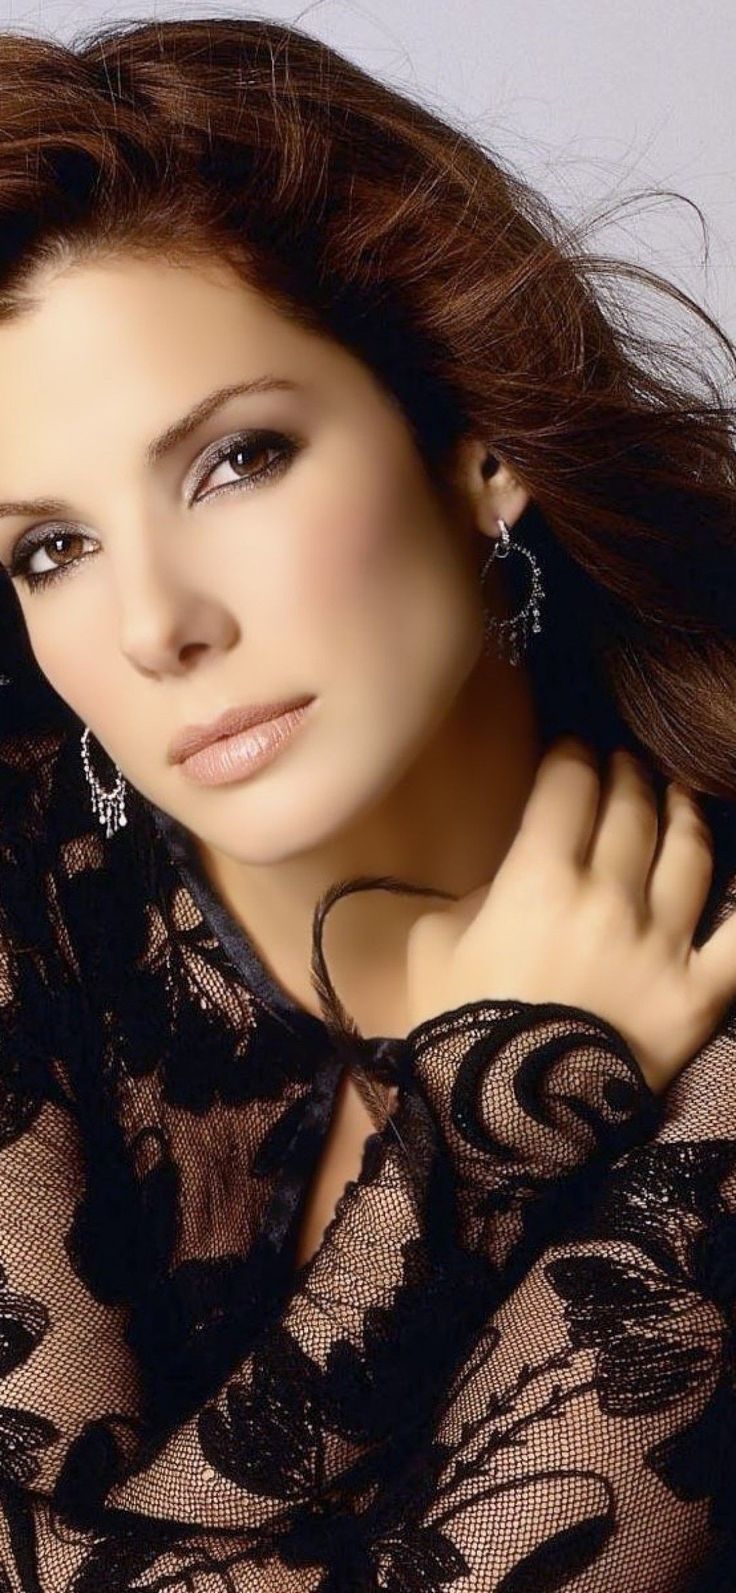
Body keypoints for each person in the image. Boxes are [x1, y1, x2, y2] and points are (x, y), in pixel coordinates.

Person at [1, 14, 736, 1590]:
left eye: (236, 460)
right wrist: (490, 1126)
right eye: (50, 546)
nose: (154, 627)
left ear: (474, 442)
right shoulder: (28, 884)